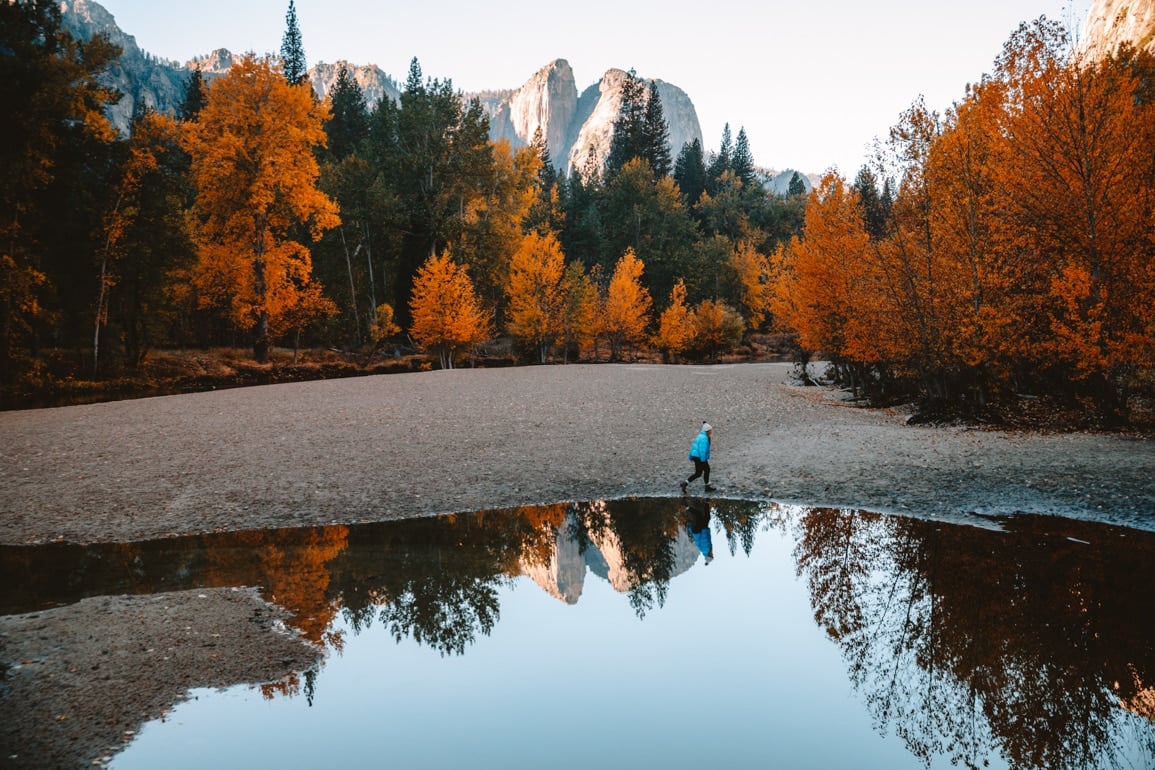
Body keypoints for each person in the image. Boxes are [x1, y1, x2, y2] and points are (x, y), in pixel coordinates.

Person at [680, 421, 715, 493]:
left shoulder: (701, 436)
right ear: (707, 431)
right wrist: (703, 460)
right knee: (706, 470)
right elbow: (702, 450)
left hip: (696, 456)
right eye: (710, 430)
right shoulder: (704, 438)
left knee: (698, 473)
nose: (711, 432)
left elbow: (694, 447)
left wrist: (691, 456)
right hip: (700, 457)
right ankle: (707, 487)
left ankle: (685, 483)